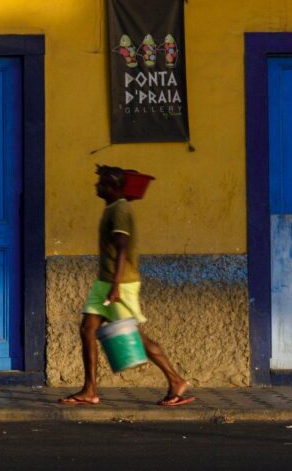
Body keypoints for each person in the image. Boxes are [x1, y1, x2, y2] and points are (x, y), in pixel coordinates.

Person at [60, 164, 193, 408]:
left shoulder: (120, 210)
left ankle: (176, 381)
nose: (96, 186)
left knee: (135, 336)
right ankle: (89, 390)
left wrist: (117, 285)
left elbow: (123, 246)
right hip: (105, 281)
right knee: (87, 329)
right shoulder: (112, 207)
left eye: (101, 183)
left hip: (119, 282)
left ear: (112, 187)